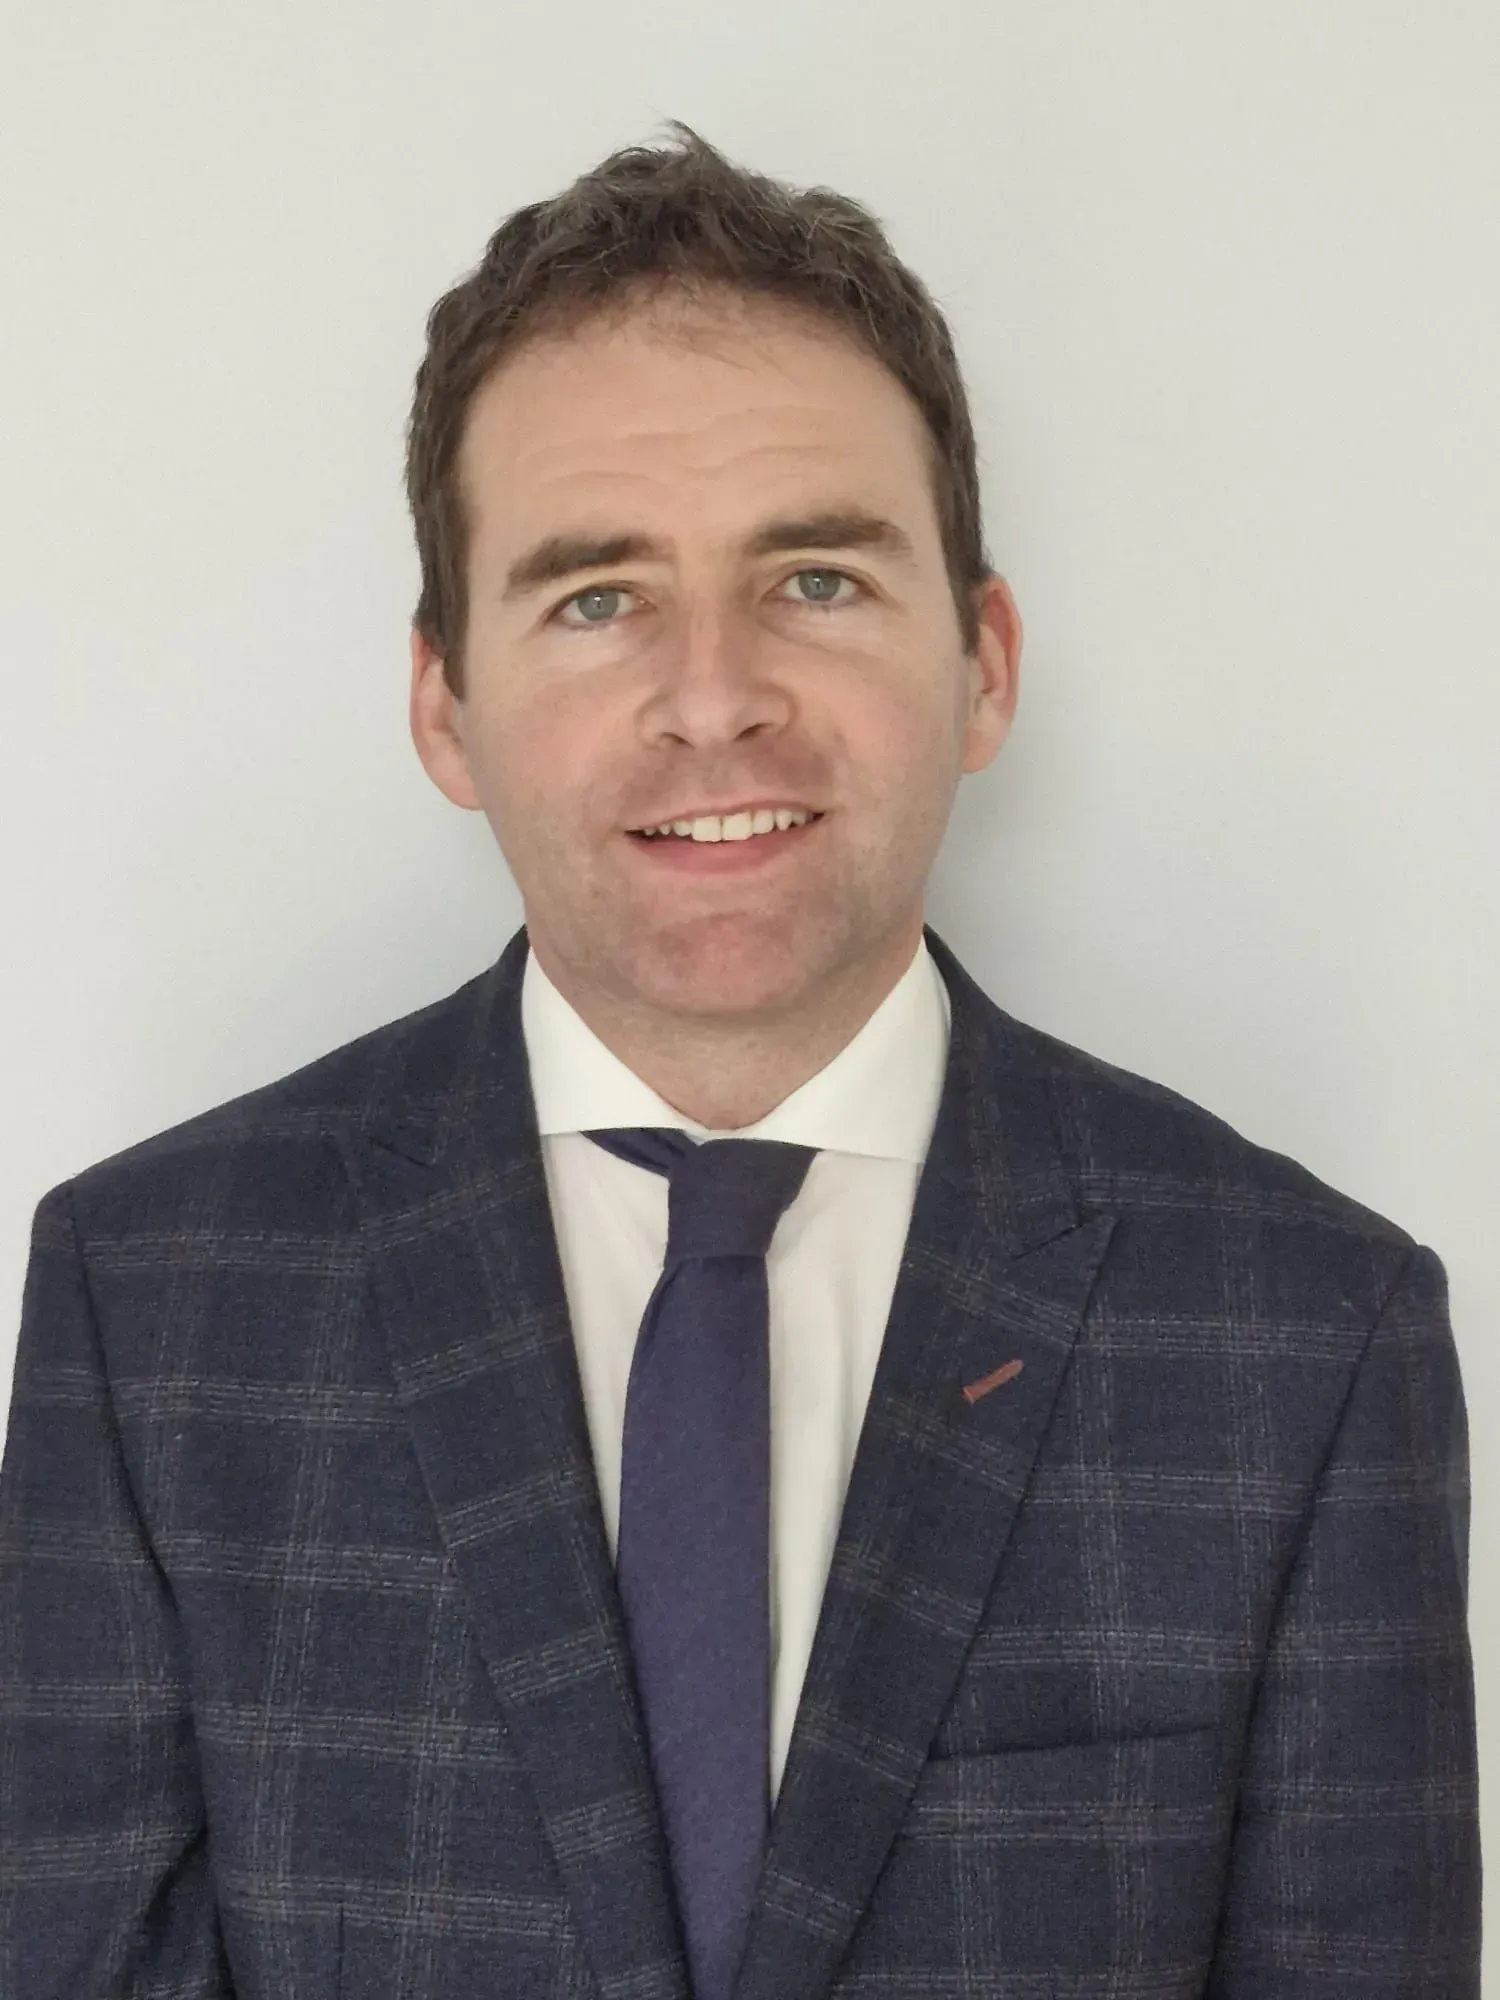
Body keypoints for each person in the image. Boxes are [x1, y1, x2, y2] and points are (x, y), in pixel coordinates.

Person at [0, 121, 1478, 2000]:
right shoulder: (155, 1303)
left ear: (985, 661)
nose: (714, 697)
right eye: (596, 597)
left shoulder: (1307, 1332)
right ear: (446, 704)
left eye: (819, 579)